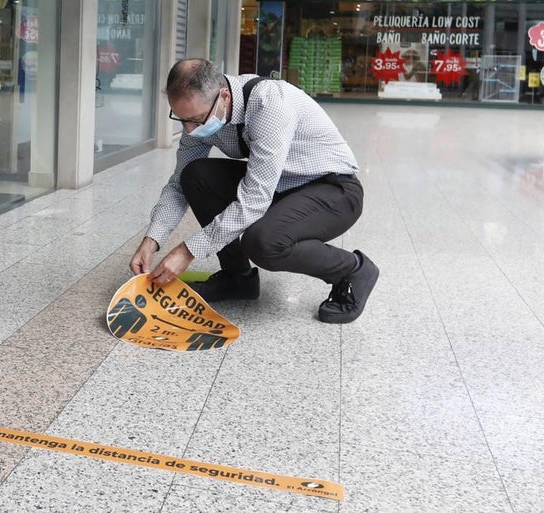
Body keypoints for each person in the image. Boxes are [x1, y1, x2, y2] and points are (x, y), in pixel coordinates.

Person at [129, 59, 380, 324]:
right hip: (281, 185)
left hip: (332, 190)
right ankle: (238, 278)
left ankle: (353, 270)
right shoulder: (204, 112)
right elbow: (179, 183)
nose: (190, 130)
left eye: (195, 119)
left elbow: (255, 199)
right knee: (195, 176)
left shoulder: (271, 105)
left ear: (224, 96)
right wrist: (152, 239)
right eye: (182, 119)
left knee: (263, 242)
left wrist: (187, 250)